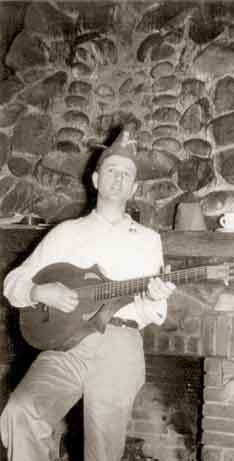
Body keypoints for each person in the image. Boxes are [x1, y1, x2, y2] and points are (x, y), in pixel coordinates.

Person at [0, 128, 176, 461]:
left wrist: (155, 296)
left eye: (127, 174)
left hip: (119, 342)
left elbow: (155, 311)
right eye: (112, 171)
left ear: (134, 188)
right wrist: (40, 291)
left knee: (102, 452)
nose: (119, 178)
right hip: (68, 344)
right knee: (20, 411)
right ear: (96, 179)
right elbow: (13, 283)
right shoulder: (66, 233)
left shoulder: (148, 240)